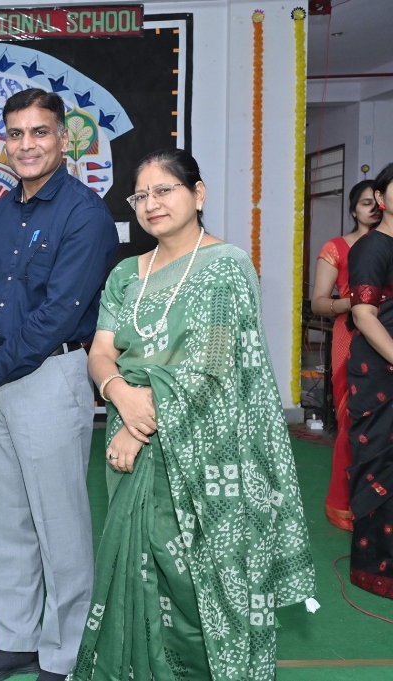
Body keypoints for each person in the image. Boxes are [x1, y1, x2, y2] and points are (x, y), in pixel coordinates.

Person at [75, 149, 317, 679]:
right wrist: (120, 394)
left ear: (198, 194)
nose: (151, 204)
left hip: (205, 452)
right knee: (141, 573)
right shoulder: (125, 274)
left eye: (165, 190)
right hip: (131, 432)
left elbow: (213, 365)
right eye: (141, 196)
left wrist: (139, 426)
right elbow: (100, 351)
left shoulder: (225, 266)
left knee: (199, 582)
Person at [0, 88, 119, 681]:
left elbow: (56, 317)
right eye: (15, 133)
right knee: (6, 519)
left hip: (50, 375)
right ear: (4, 141)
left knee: (60, 524)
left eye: (39, 132)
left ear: (64, 138)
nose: (26, 144)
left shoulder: (85, 215)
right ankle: (18, 638)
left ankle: (65, 651)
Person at [311, 180, 380, 531]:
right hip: (350, 335)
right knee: (353, 420)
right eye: (365, 202)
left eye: (377, 201)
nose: (373, 208)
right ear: (353, 209)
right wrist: (354, 303)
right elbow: (319, 302)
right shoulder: (336, 248)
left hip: (387, 331)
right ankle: (346, 506)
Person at [347, 161, 393, 599]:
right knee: (381, 465)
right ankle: (378, 568)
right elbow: (363, 314)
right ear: (380, 199)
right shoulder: (373, 247)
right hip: (381, 370)